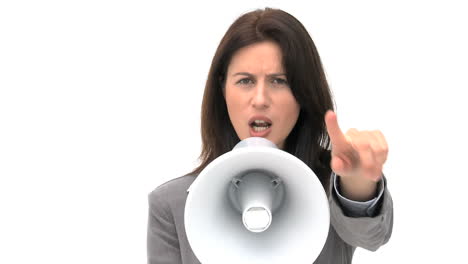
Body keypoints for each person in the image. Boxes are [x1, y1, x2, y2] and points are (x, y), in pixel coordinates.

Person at [147, 7, 393, 264]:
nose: (261, 99)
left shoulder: (330, 189)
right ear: (222, 88)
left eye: (279, 81)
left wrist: (356, 186)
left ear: (303, 93)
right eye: (245, 81)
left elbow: (370, 237)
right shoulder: (171, 205)